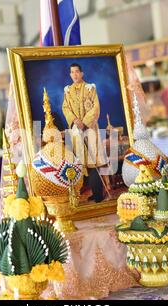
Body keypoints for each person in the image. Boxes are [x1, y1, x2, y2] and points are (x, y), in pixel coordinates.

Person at [61, 63, 108, 203]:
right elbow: (65, 108)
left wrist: (85, 122)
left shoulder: (90, 88)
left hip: (90, 128)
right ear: (70, 75)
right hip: (76, 129)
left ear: (82, 73)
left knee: (93, 161)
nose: (75, 74)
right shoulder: (67, 91)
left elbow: (96, 107)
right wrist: (75, 120)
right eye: (72, 72)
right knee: (83, 162)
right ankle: (94, 191)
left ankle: (99, 194)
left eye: (77, 72)